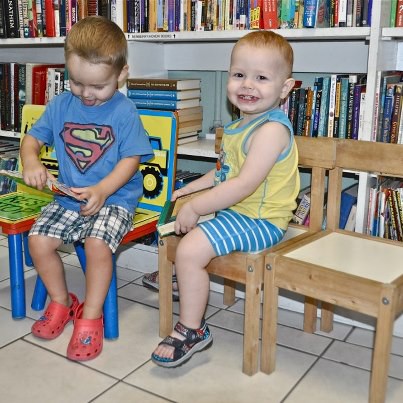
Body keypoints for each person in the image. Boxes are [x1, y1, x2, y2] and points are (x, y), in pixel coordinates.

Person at [151, 30, 300, 368]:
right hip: (239, 210)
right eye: (239, 75)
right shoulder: (241, 124)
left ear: (285, 88)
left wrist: (198, 205)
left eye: (261, 78)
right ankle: (185, 279)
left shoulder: (271, 130)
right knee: (175, 226)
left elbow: (244, 184)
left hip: (262, 220)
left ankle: (193, 329)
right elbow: (224, 173)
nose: (247, 85)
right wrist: (190, 189)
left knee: (189, 248)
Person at [20, 16, 153, 361]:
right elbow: (32, 139)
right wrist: (32, 161)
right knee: (38, 241)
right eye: (77, 83)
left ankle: (90, 316)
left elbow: (131, 160)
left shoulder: (124, 111)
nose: (86, 94)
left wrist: (104, 190)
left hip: (115, 198)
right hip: (67, 196)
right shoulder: (61, 104)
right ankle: (62, 301)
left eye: (98, 86)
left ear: (122, 74)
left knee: (96, 245)